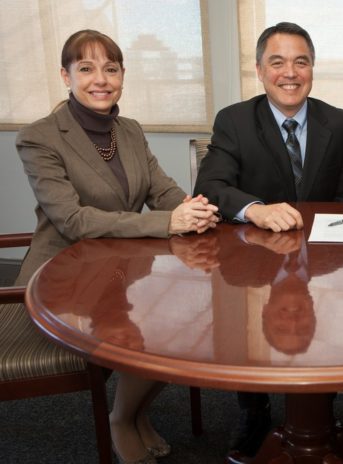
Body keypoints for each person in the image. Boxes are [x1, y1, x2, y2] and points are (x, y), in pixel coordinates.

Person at [15, 30, 219, 464]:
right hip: (63, 278)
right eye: (85, 68)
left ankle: (135, 411)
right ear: (65, 76)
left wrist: (190, 207)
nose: (100, 79)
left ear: (123, 76)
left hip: (123, 267)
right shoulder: (39, 137)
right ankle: (122, 420)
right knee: (154, 330)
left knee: (180, 320)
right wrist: (169, 223)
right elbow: (72, 219)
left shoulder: (129, 130)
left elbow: (161, 190)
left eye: (110, 68)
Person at [192, 22, 343, 458]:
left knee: (324, 327)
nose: (290, 72)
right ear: (259, 70)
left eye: (300, 62)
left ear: (312, 69)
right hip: (253, 260)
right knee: (249, 327)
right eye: (278, 62)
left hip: (322, 260)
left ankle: (321, 409)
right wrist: (256, 209)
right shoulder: (234, 120)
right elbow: (210, 185)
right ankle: (254, 409)